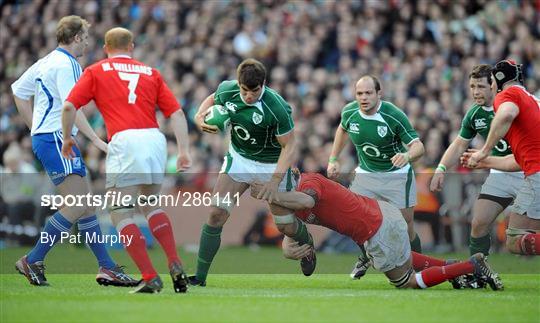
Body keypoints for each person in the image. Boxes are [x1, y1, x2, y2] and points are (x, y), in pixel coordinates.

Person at [61, 27, 192, 293]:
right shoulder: (150, 72)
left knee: (120, 211)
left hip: (125, 140)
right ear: (131, 46)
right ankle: (174, 260)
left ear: (105, 47)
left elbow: (68, 107)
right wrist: (183, 151)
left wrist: (67, 138)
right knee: (150, 204)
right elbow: (176, 113)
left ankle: (150, 276)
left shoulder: (96, 70)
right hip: (155, 139)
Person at [11, 16, 137, 288]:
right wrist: (97, 141)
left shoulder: (46, 61)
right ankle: (33, 259)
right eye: (86, 38)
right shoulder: (68, 65)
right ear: (77, 38)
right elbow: (71, 108)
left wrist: (35, 128)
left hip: (52, 138)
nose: (88, 43)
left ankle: (107, 266)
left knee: (86, 205)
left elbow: (19, 92)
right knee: (78, 204)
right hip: (58, 139)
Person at [251, 173, 503, 290]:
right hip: (382, 216)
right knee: (403, 260)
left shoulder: (308, 182)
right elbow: (289, 231)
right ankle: (454, 267)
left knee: (406, 283)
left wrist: (270, 192)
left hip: (376, 227)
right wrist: (289, 248)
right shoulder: (290, 199)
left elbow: (307, 202)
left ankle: (470, 267)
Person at [191, 58, 311, 286]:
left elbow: (290, 146)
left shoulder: (276, 106)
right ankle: (199, 278)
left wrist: (274, 182)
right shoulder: (228, 89)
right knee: (216, 214)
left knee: (284, 225)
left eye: (253, 91)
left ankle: (306, 241)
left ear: (263, 84)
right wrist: (199, 115)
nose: (248, 96)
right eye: (244, 90)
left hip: (270, 164)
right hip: (239, 159)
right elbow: (213, 98)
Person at [327, 75, 425, 279]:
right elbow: (342, 129)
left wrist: (406, 156)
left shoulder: (393, 115)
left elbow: (419, 147)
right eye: (359, 93)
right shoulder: (350, 111)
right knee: (352, 218)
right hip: (366, 173)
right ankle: (366, 257)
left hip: (396, 176)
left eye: (368, 93)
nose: (363, 97)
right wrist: (334, 158)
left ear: (379, 94)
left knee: (405, 226)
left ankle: (420, 265)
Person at [430, 64, 523, 256]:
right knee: (479, 222)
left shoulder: (511, 106)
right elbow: (458, 145)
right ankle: (478, 272)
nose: (475, 92)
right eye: (472, 87)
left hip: (528, 173)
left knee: (522, 235)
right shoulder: (474, 114)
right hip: (500, 175)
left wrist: (483, 156)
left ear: (493, 85)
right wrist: (441, 168)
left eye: (480, 86)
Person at [464, 60, 540, 256]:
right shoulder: (532, 101)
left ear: (497, 82)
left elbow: (506, 114)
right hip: (531, 170)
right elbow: (518, 160)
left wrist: (485, 150)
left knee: (515, 240)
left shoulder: (508, 95)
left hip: (536, 176)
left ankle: (476, 271)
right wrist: (485, 161)